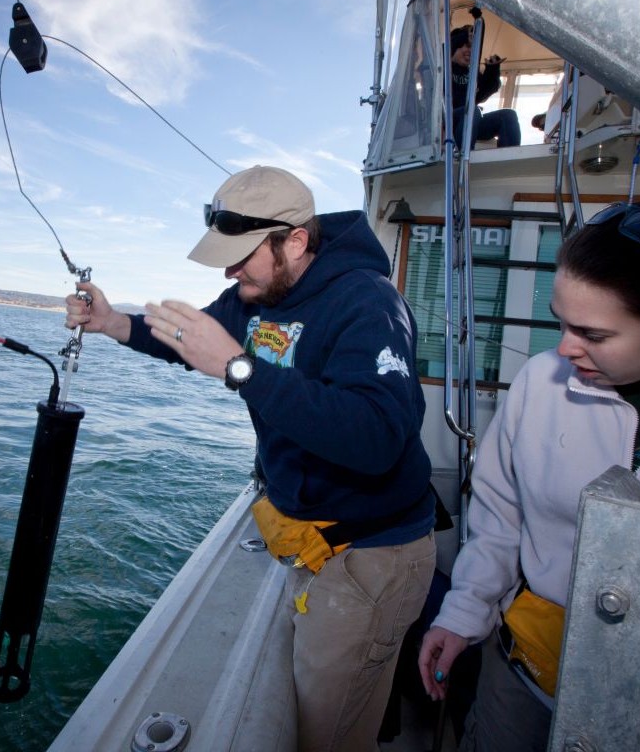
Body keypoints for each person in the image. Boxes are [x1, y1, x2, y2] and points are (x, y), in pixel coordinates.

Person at [65, 165, 438, 751]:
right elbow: (198, 340)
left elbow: (379, 437)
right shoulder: (259, 292)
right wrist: (112, 323)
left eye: (242, 254)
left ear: (295, 240)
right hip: (308, 535)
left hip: (372, 553)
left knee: (328, 733)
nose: (229, 269)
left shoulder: (368, 302)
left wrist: (241, 369)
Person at [416, 201, 640, 751]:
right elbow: (500, 517)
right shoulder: (543, 383)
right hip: (524, 679)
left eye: (593, 333)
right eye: (560, 322)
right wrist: (463, 611)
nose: (564, 348)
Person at [450, 26, 520, 149]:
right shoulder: (441, 66)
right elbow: (446, 48)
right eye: (466, 45)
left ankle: (508, 164)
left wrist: (493, 69)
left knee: (508, 115)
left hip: (470, 121)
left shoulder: (471, 72)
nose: (470, 50)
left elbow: (485, 92)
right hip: (448, 120)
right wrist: (464, 36)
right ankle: (461, 157)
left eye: (473, 47)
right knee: (472, 111)